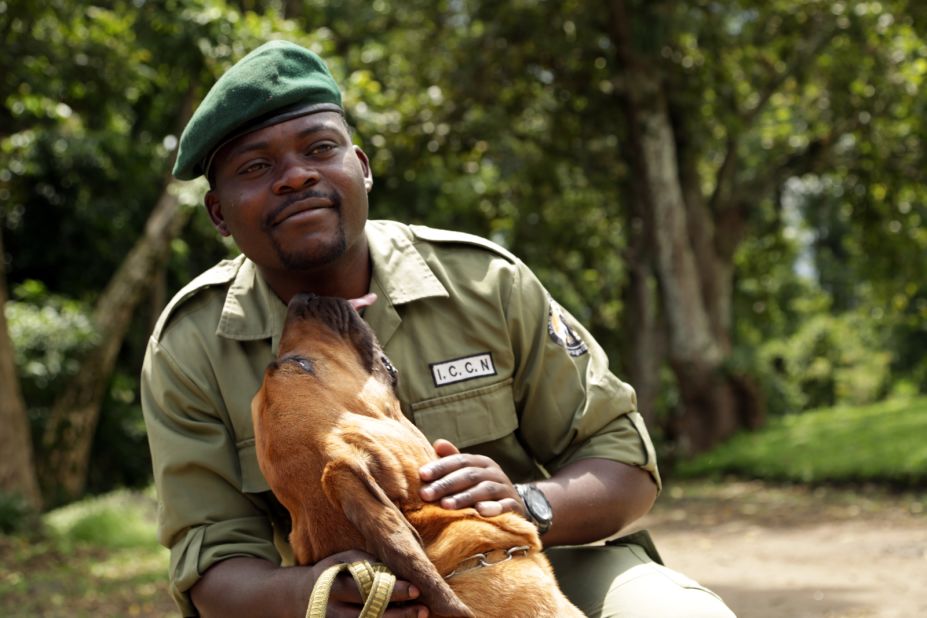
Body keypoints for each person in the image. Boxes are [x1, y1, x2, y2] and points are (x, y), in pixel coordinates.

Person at [141, 40, 735, 618]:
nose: (295, 177)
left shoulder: (482, 283)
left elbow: (623, 460)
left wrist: (528, 502)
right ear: (218, 211)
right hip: (344, 603)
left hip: (530, 564)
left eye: (320, 148)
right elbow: (211, 566)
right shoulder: (191, 347)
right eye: (256, 166)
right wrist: (312, 596)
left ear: (362, 167)